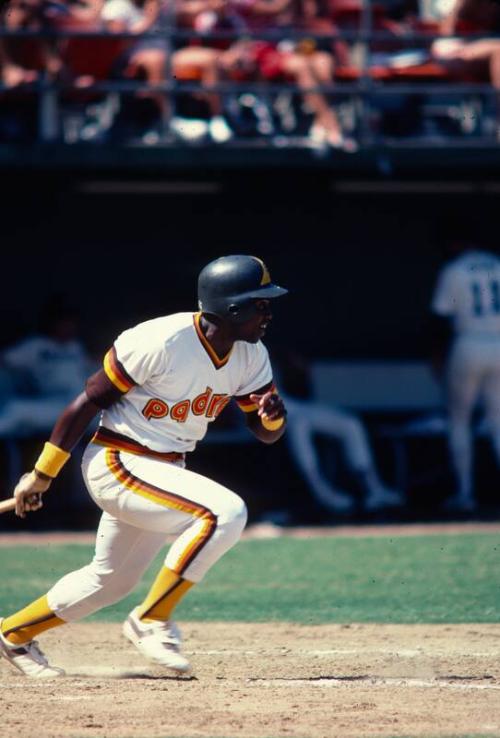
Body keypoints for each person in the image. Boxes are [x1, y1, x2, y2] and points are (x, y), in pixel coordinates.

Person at [0, 255, 288, 678]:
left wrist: (272, 418)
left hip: (166, 469)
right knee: (224, 513)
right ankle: (151, 619)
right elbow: (86, 404)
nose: (268, 312)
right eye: (260, 303)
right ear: (231, 309)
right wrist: (41, 474)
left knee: (110, 582)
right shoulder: (161, 339)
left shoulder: (251, 355)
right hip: (118, 460)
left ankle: (14, 634)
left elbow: (263, 432)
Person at [276, 350, 402, 514]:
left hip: (290, 406)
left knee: (351, 423)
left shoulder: (261, 346)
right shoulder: (234, 349)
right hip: (258, 416)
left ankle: (373, 488)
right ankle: (322, 492)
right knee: (299, 424)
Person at [430, 241, 500, 511]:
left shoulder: (455, 268)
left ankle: (465, 493)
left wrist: (435, 354)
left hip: (469, 342)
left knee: (459, 419)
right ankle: (465, 493)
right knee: (497, 421)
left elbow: (439, 314)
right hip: (497, 342)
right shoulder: (496, 263)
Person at [0, 297, 93, 438]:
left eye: (71, 322)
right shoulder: (36, 345)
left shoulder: (75, 347)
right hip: (54, 404)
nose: (68, 326)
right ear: (53, 322)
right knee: (17, 410)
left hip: (83, 404)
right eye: (64, 322)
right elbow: (6, 361)